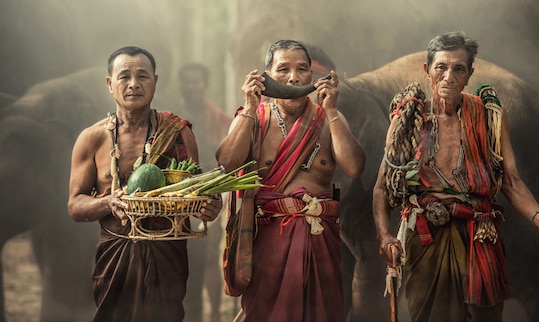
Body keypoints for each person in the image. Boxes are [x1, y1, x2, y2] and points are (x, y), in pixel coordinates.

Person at [372, 32, 539, 322]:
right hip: (425, 238)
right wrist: (384, 236)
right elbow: (382, 187)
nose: (448, 76)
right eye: (441, 67)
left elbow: (512, 181)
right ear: (427, 71)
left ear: (470, 74)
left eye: (458, 68)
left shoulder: (490, 116)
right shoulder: (408, 118)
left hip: (481, 237)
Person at [67, 46, 222, 322]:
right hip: (115, 256)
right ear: (109, 84)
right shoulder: (92, 138)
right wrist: (107, 202)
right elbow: (75, 205)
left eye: (142, 76)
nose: (133, 84)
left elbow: (197, 194)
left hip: (166, 258)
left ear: (155, 82)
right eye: (124, 76)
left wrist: (208, 206)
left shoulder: (178, 133)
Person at [216, 39, 366, 322]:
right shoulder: (254, 118)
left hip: (319, 241)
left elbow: (355, 167)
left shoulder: (329, 119)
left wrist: (332, 111)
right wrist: (249, 106)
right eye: (283, 69)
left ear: (313, 76)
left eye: (302, 70)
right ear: (266, 76)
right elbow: (226, 162)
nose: (294, 77)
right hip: (269, 247)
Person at [178, 62, 232, 322]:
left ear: (205, 84)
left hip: (208, 196)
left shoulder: (219, 118)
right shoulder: (172, 117)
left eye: (196, 81)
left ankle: (212, 315)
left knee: (210, 256)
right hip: (175, 200)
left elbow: (229, 160)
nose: (191, 87)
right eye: (187, 82)